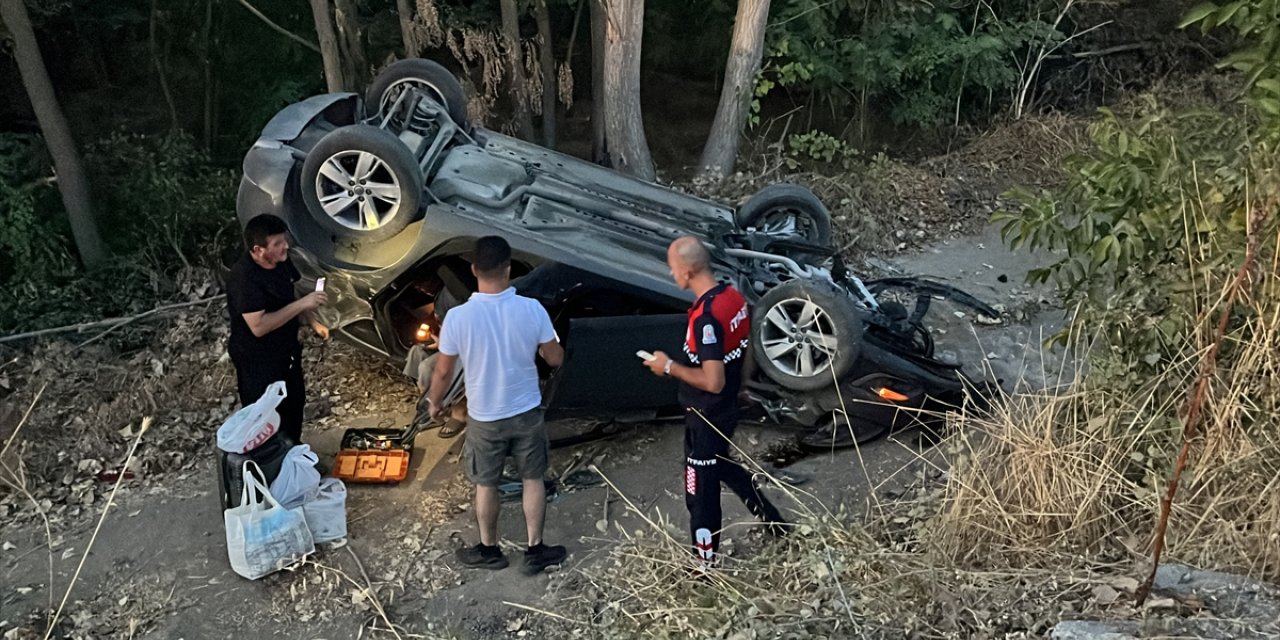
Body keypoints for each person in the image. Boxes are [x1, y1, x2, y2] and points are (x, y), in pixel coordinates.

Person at [426, 236, 568, 575]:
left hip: (484, 417)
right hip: (526, 411)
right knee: (533, 477)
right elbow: (554, 356)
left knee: (485, 483)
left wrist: (436, 401)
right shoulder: (532, 309)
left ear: (474, 269)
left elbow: (444, 371)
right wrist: (550, 355)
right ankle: (535, 550)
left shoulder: (458, 319)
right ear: (508, 268)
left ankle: (489, 550)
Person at [643, 236, 787, 570]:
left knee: (700, 492)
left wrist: (669, 367)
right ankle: (773, 520)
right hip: (726, 408)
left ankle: (706, 567)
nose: (671, 273)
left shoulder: (706, 318)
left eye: (673, 267)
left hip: (705, 414)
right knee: (723, 463)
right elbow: (747, 343)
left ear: (689, 269)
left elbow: (712, 380)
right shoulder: (732, 297)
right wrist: (744, 383)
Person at [226, 214, 328, 444]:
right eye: (277, 244)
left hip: (287, 351)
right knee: (266, 416)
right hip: (257, 359)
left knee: (294, 403)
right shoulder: (244, 279)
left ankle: (294, 454)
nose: (286, 246)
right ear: (258, 250)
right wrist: (303, 304)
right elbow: (259, 326)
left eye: (285, 240)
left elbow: (292, 293)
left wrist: (312, 321)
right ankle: (271, 464)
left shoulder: (282, 261)